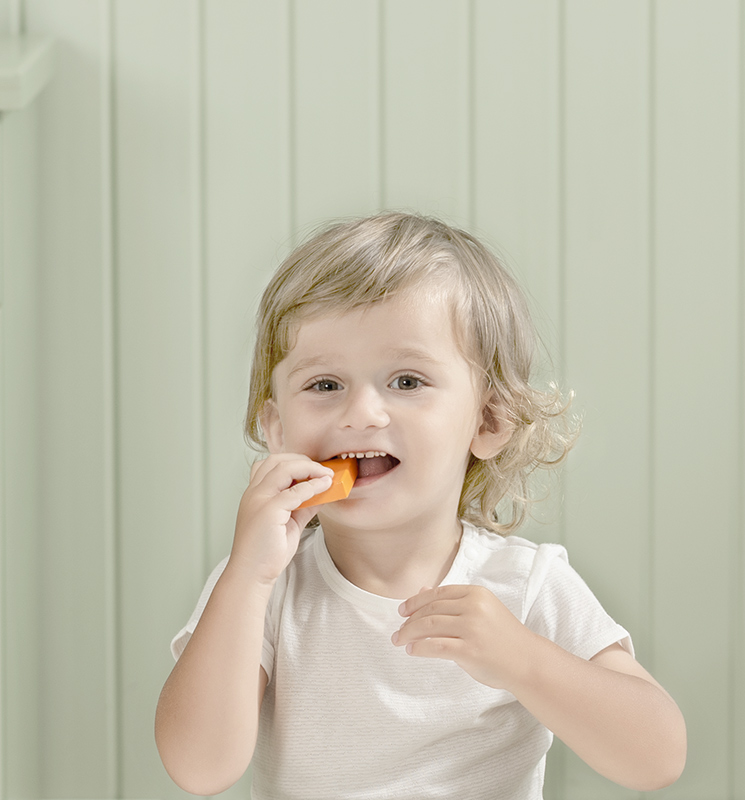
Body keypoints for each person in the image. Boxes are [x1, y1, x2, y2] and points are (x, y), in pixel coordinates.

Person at [155, 212, 686, 799]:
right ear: (277, 429)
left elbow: (657, 757)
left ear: (487, 421)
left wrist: (523, 661)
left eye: (406, 381)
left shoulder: (527, 586)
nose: (361, 412)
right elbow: (198, 769)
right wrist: (247, 579)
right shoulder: (263, 590)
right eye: (324, 385)